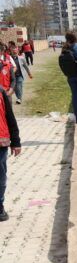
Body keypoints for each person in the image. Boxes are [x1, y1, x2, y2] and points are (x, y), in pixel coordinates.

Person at [0, 89, 22, 222]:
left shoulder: (1, 92)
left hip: (1, 142)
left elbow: (10, 117)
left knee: (0, 177)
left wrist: (16, 141)